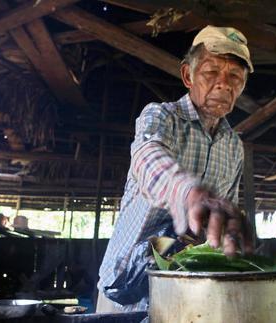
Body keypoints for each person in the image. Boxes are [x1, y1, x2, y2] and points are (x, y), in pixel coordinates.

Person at [97, 25, 255, 312]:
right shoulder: (161, 117)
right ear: (188, 75)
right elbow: (148, 158)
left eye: (235, 76)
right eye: (211, 72)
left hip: (180, 291)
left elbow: (217, 220)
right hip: (125, 290)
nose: (224, 84)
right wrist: (187, 194)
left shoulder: (233, 146)